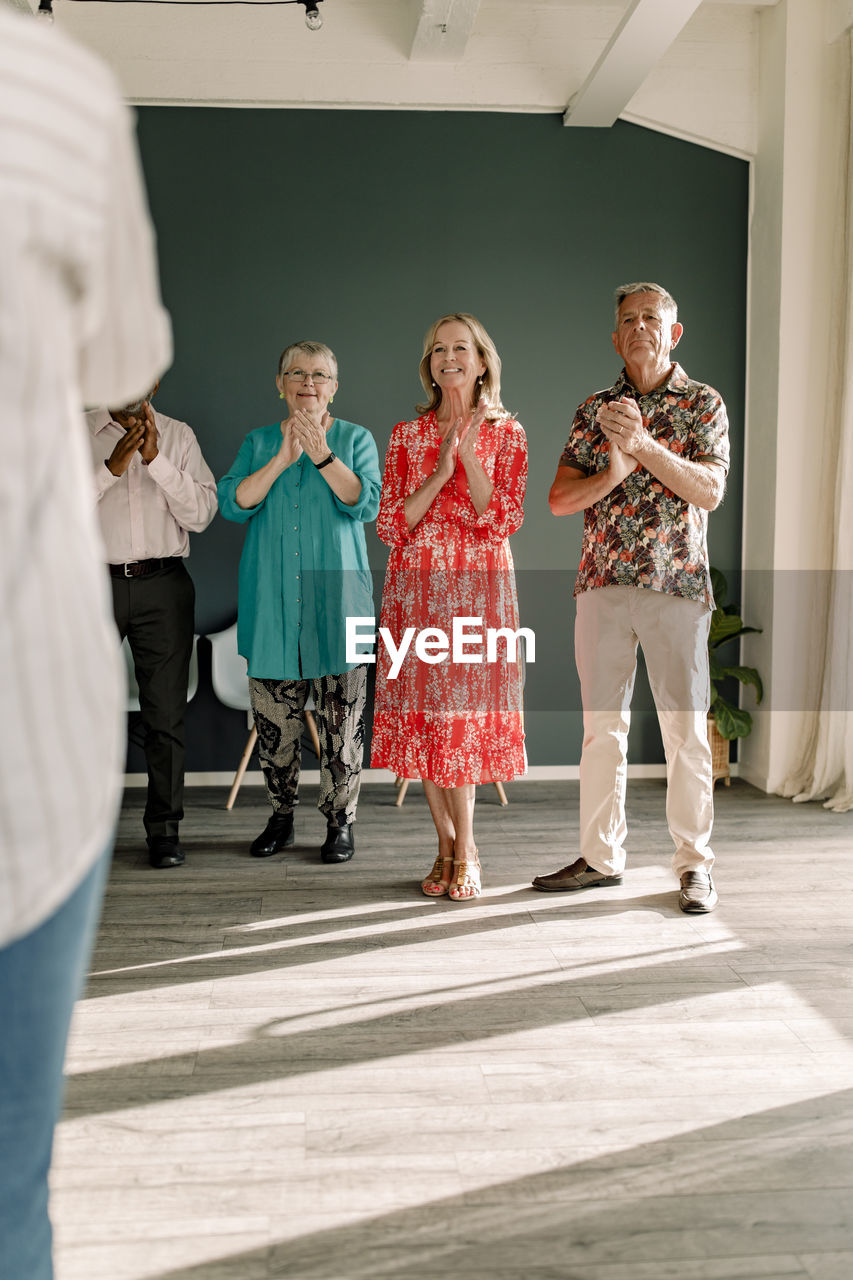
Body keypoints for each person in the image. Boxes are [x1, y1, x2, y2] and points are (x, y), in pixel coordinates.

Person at [0, 8, 171, 1277]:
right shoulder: (49, 92)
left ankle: (175, 829)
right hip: (43, 685)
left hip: (139, 601)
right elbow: (120, 352)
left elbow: (202, 503)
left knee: (164, 726)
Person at [532, 282, 729, 913]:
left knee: (686, 733)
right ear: (615, 337)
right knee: (601, 732)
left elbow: (708, 491)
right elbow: (561, 499)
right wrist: (612, 472)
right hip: (603, 586)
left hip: (676, 586)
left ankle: (695, 866)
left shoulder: (703, 403)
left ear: (674, 332)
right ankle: (600, 857)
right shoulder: (596, 408)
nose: (639, 326)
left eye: (652, 317)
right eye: (628, 319)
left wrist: (643, 447)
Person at [371, 313, 528, 901]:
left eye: (461, 348)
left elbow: (502, 517)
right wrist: (439, 471)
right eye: (438, 349)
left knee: (457, 722)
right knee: (423, 720)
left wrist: (468, 456)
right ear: (430, 363)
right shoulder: (405, 435)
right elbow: (392, 523)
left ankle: (469, 851)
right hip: (414, 591)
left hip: (477, 590)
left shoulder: (508, 432)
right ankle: (444, 846)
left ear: (482, 360)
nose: (448, 358)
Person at [218, 341, 381, 863]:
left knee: (342, 727)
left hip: (340, 607)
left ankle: (340, 824)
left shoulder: (356, 439)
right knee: (275, 729)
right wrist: (284, 457)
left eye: (319, 375)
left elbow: (367, 503)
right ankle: (280, 817)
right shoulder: (258, 441)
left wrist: (321, 456)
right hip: (271, 607)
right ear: (280, 384)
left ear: (334, 386)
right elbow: (233, 503)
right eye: (297, 373)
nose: (308, 383)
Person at [86, 386, 218, 869]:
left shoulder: (179, 436)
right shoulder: (76, 434)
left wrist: (156, 460)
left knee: (164, 716)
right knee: (80, 713)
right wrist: (109, 471)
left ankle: (163, 832)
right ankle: (80, 838)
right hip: (89, 586)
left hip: (163, 585)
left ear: (156, 383)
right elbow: (52, 515)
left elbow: (202, 515)